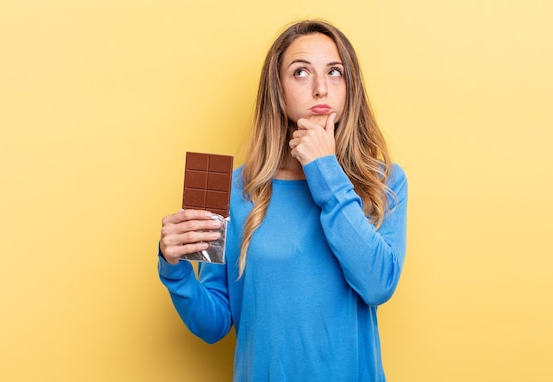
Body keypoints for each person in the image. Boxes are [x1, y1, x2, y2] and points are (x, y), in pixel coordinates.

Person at [158, 19, 408, 381]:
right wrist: (174, 267)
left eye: (335, 72)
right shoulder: (222, 188)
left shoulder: (383, 181)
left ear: (350, 86)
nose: (321, 88)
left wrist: (325, 171)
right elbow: (213, 325)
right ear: (277, 89)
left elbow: (378, 285)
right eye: (301, 72)